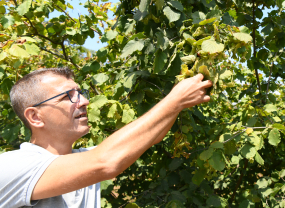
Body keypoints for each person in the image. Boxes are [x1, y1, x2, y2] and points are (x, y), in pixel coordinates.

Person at [0, 67, 212, 208]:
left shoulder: (83, 159)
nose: (83, 101)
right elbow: (106, 161)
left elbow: (149, 136)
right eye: (68, 96)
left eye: (80, 92)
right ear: (35, 117)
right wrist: (174, 100)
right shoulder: (11, 166)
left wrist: (183, 98)